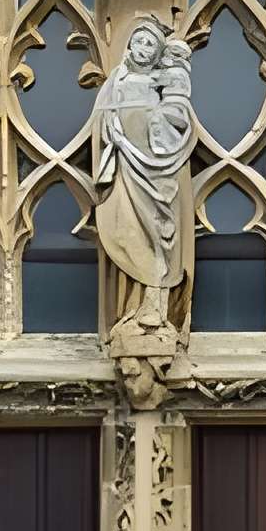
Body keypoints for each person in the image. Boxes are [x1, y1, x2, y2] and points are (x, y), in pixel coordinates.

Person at [91, 16, 196, 330]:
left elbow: (178, 116)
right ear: (129, 44)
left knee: (158, 233)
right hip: (125, 166)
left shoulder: (164, 80)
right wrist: (114, 130)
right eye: (139, 40)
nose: (143, 48)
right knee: (126, 230)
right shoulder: (116, 79)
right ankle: (131, 308)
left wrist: (155, 120)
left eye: (151, 43)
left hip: (158, 166)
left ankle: (155, 307)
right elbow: (101, 121)